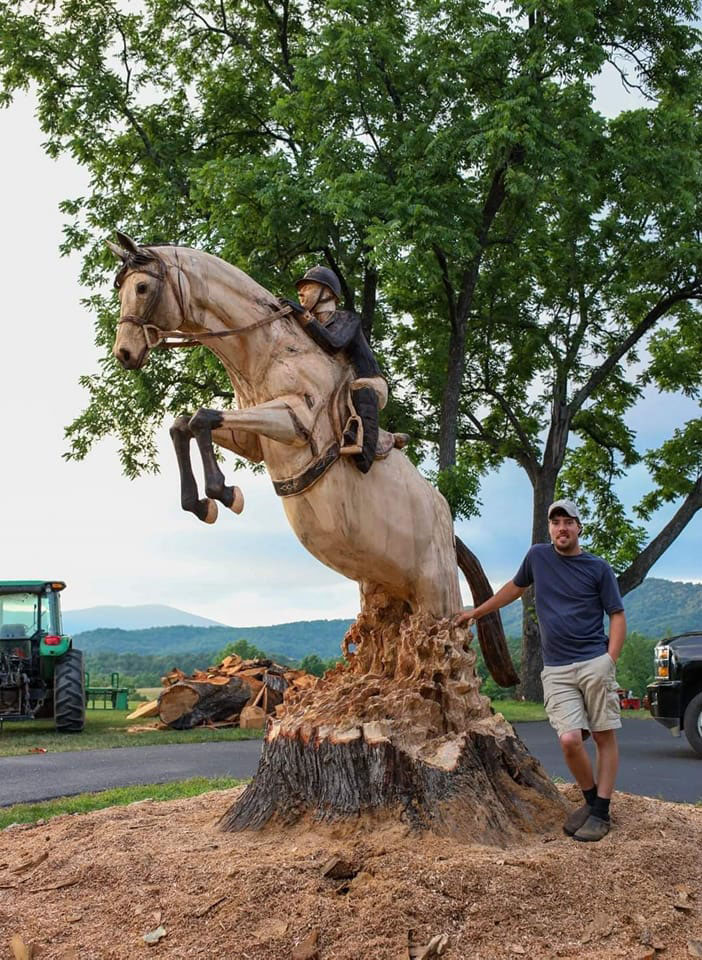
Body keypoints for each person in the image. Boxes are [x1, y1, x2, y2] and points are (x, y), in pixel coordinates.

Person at [454, 499, 627, 842]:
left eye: (568, 522)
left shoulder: (599, 568)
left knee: (604, 736)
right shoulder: (538, 557)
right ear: (550, 529)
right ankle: (591, 801)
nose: (562, 528)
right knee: (569, 740)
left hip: (595, 662)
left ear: (579, 528)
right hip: (557, 668)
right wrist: (475, 613)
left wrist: (610, 659)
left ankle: (602, 812)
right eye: (556, 522)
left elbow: (617, 615)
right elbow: (512, 590)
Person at [283, 266, 388, 473]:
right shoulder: (309, 325)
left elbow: (333, 343)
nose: (301, 293)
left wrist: (302, 315)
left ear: (328, 293)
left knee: (360, 386)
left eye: (308, 287)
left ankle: (364, 451)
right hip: (338, 382)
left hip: (369, 382)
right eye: (301, 289)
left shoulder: (348, 319)